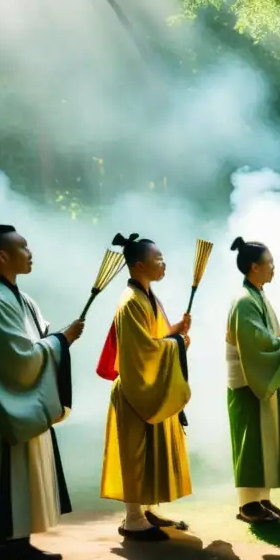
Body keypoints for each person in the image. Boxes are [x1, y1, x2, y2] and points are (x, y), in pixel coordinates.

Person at [0, 214, 84, 560]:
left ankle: (20, 543)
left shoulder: (19, 298)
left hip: (19, 401)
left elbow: (35, 341)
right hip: (0, 407)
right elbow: (19, 359)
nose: (30, 253)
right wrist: (61, 340)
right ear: (2, 257)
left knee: (22, 475)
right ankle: (0, 555)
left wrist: (57, 338)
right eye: (23, 248)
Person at [97, 232, 192, 541]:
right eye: (158, 260)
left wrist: (175, 331)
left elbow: (155, 338)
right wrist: (177, 343)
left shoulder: (147, 296)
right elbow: (141, 351)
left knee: (150, 451)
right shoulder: (130, 301)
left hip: (149, 385)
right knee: (135, 453)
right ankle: (133, 518)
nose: (163, 264)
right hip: (135, 389)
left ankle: (147, 509)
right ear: (139, 266)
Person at [226, 237, 280, 523]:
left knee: (265, 442)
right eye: (269, 263)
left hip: (259, 379)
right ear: (254, 267)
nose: (273, 267)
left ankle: (262, 499)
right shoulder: (244, 301)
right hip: (248, 382)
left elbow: (266, 338)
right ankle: (248, 506)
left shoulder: (257, 296)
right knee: (253, 444)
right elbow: (256, 345)